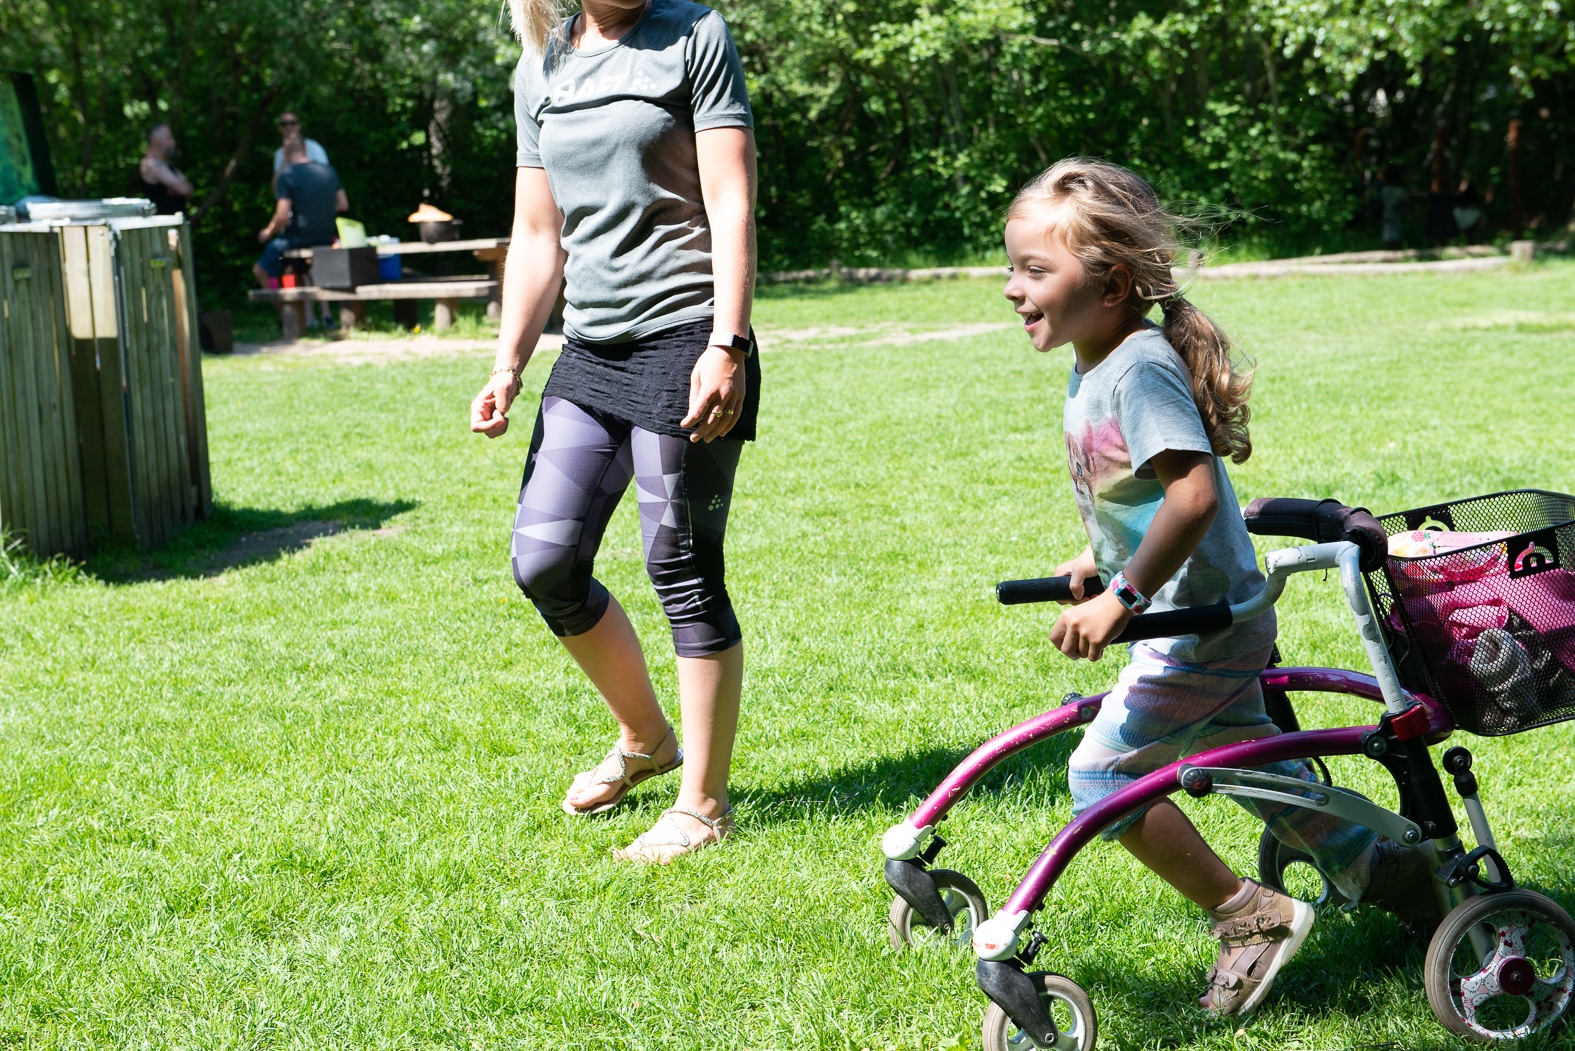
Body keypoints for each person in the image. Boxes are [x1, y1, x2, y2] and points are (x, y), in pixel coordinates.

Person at [1001, 158, 1437, 1018]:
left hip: (1199, 625)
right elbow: (1143, 494)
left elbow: (1195, 495)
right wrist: (1098, 561)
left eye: (1034, 271)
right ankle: (1387, 870)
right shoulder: (1096, 361)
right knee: (1247, 767)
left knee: (1098, 779)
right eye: (1011, 269)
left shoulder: (1135, 368)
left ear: (1112, 282)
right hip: (1194, 612)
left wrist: (1120, 596)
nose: (1013, 289)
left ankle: (1250, 916)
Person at [468, 0, 758, 862]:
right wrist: (507, 362)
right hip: (590, 351)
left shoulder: (692, 33)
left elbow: (731, 199)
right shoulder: (542, 64)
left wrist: (727, 343)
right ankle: (646, 739)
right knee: (544, 560)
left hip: (687, 335)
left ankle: (703, 804)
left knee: (680, 563)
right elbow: (535, 232)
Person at [253, 134, 349, 328]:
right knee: (294, 269)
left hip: (297, 239)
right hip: (324, 238)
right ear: (305, 149)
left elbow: (281, 215)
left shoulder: (288, 175)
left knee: (260, 270)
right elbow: (343, 204)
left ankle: (287, 320)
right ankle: (317, 317)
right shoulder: (328, 172)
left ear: (286, 153)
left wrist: (268, 232)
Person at [138, 123, 193, 216]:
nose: (173, 142)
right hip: (163, 227)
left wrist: (179, 188)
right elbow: (184, 189)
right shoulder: (153, 165)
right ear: (156, 141)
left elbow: (189, 190)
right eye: (169, 138)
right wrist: (180, 188)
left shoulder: (167, 164)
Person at [271, 112, 329, 194]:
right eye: (284, 124)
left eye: (293, 123)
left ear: (299, 126)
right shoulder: (279, 154)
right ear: (279, 128)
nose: (288, 126)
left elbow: (326, 179)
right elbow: (276, 188)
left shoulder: (314, 147)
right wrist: (285, 160)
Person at [1379, 165, 1407, 248]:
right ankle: (1394, 251)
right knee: (1396, 233)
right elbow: (1403, 202)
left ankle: (1387, 251)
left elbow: (1382, 201)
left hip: (1387, 213)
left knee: (1387, 233)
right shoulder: (1400, 190)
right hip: (1396, 214)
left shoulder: (1384, 190)